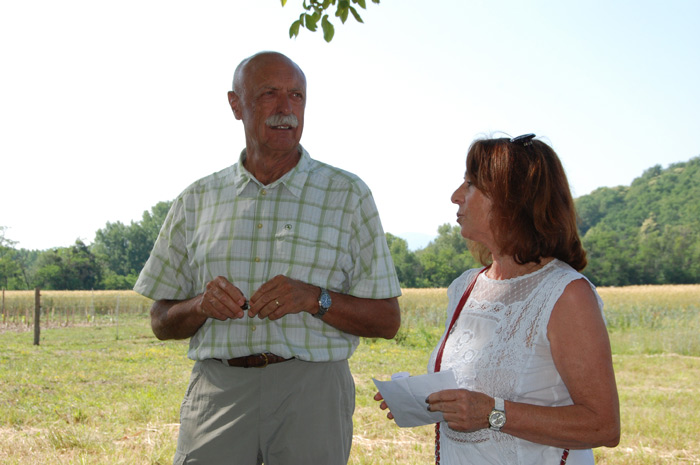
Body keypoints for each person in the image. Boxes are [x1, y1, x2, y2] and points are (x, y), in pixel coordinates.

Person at [134, 51, 402, 465]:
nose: (286, 109)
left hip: (312, 392)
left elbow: (387, 320)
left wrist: (315, 299)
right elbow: (160, 321)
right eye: (269, 94)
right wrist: (200, 305)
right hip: (218, 391)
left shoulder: (347, 195)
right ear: (235, 104)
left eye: (296, 95)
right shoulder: (197, 199)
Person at [375, 134, 620, 464]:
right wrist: (422, 400)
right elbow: (472, 390)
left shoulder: (566, 294)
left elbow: (603, 426)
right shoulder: (465, 286)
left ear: (511, 199)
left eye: (470, 184)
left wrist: (493, 414)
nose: (455, 196)